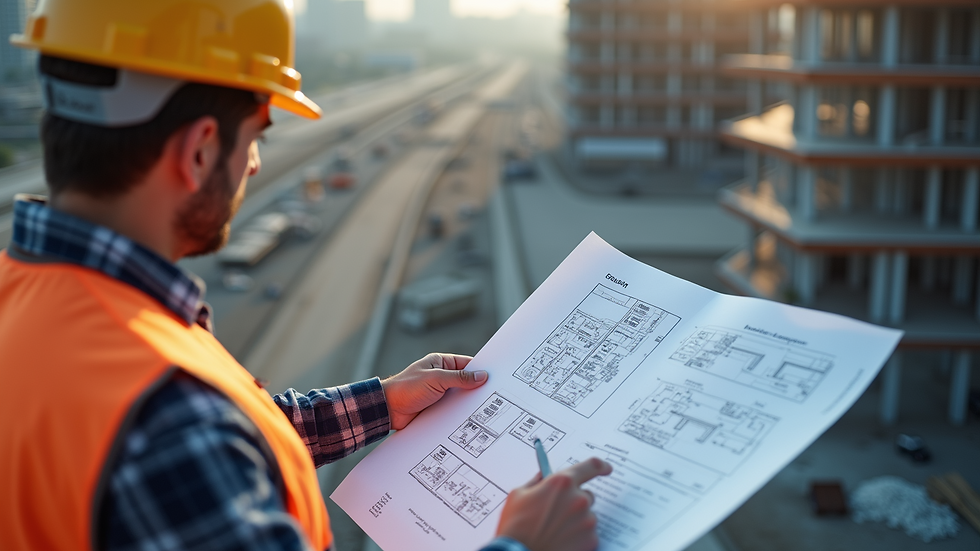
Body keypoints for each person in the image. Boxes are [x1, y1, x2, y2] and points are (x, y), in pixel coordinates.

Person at [0, 2, 612, 551]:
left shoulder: (25, 295)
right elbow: (193, 442)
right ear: (200, 151)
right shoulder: (169, 419)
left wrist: (380, 404)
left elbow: (223, 437)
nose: (257, 164)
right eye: (257, 137)